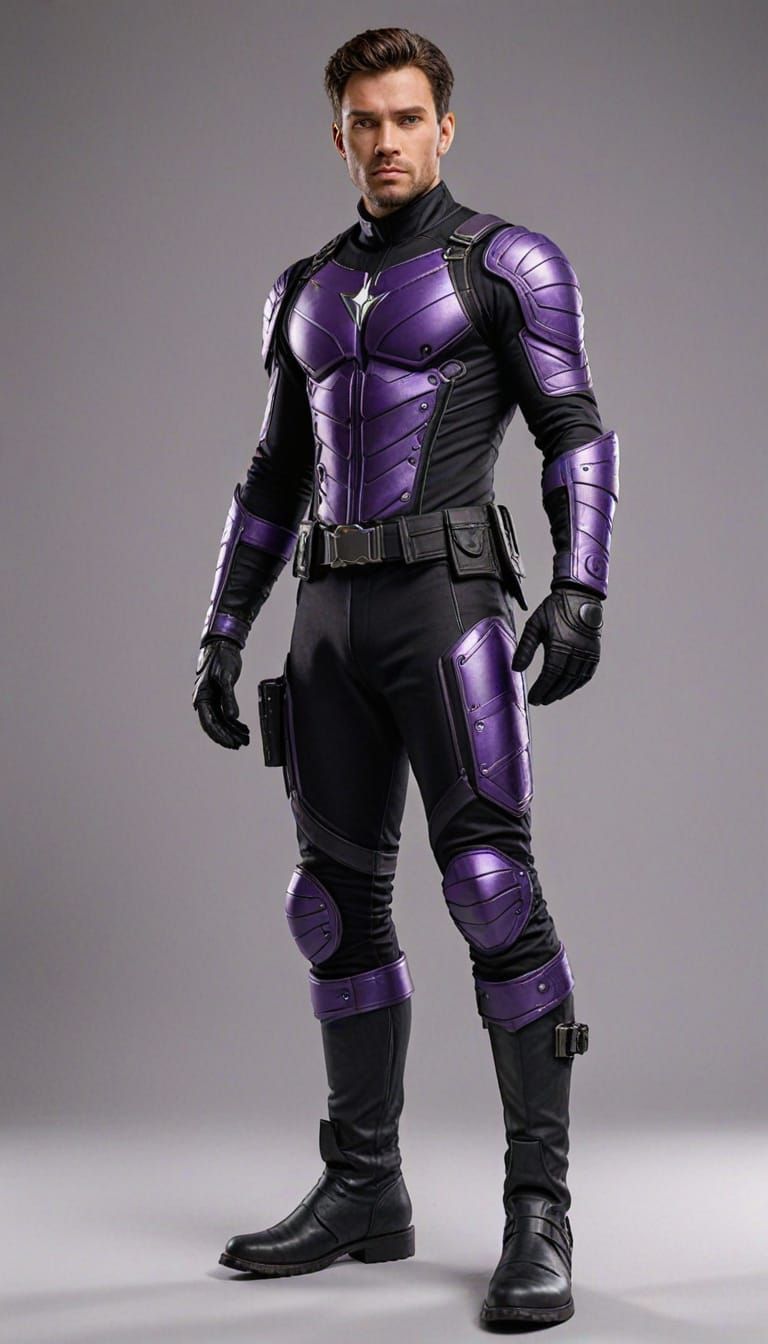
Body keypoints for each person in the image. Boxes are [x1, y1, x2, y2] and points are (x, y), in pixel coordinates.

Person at [193, 26, 618, 1327]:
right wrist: (222, 628)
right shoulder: (306, 289)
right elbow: (273, 473)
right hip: (326, 618)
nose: (387, 141)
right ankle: (364, 1189)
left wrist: (581, 587)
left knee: (491, 889)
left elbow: (574, 429)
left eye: (408, 117)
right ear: (339, 136)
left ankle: (539, 1211)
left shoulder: (507, 265)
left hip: (447, 608)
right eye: (365, 122)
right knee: (329, 908)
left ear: (445, 127)